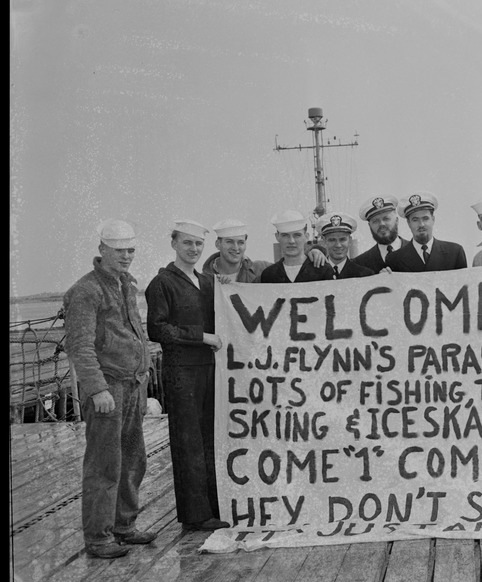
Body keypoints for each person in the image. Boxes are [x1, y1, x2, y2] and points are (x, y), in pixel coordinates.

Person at [63, 220, 155, 558]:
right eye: (120, 250)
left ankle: (124, 526)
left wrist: (143, 372)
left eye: (131, 250)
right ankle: (99, 537)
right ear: (102, 251)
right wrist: (97, 389)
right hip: (108, 388)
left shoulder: (126, 285)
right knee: (104, 463)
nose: (127, 256)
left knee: (133, 458)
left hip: (132, 384)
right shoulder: (86, 291)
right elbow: (80, 347)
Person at [145, 220, 228, 533]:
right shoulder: (162, 283)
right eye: (187, 243)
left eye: (198, 244)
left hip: (209, 369)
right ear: (174, 244)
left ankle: (214, 507)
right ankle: (194, 515)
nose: (193, 249)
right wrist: (202, 336)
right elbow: (158, 328)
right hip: (181, 371)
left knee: (210, 438)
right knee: (188, 441)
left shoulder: (207, 282)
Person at [202, 218, 330, 283]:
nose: (236, 248)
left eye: (240, 242)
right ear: (218, 244)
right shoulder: (205, 279)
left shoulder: (261, 270)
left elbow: (292, 262)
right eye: (229, 241)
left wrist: (315, 251)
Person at [385, 192, 468, 272]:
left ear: (433, 219)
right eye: (415, 220)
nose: (421, 224)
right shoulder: (394, 259)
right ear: (408, 223)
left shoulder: (454, 252)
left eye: (425, 218)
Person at [259, 210, 334, 283]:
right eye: (285, 235)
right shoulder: (269, 275)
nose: (291, 241)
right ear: (277, 237)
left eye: (297, 235)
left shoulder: (322, 270)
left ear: (306, 236)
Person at [351, 193, 409, 273]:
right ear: (369, 226)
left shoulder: (417, 253)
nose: (382, 224)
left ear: (396, 220)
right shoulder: (360, 264)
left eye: (386, 218)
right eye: (375, 221)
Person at [315, 213, 374, 279]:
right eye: (332, 240)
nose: (338, 245)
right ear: (324, 241)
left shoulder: (365, 275)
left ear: (350, 240)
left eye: (342, 239)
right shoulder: (314, 274)